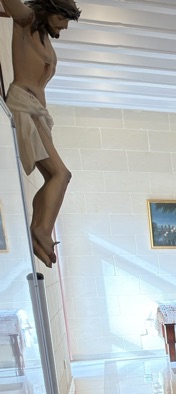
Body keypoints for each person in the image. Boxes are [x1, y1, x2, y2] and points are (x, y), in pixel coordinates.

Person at [1, 0, 80, 267]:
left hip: (38, 112)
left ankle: (38, 230)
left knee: (51, 177)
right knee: (61, 174)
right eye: (61, 18)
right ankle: (42, 231)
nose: (64, 26)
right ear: (47, 10)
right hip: (24, 105)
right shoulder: (26, 21)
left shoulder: (44, 37)